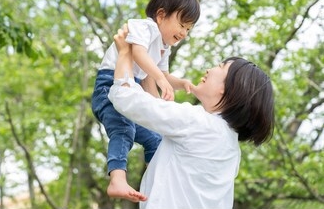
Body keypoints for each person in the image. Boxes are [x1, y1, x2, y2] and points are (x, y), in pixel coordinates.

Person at [107, 25, 275, 208]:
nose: (209, 70)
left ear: (228, 88)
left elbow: (126, 99)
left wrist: (124, 53)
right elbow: (158, 110)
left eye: (220, 66)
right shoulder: (231, 150)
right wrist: (150, 68)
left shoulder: (197, 123)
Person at [91, 0, 201, 202]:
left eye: (189, 29)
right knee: (124, 130)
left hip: (131, 87)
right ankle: (117, 179)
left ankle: (159, 179)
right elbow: (139, 54)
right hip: (109, 86)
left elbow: (163, 74)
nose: (184, 33)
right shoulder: (143, 27)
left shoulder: (163, 46)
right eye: (182, 24)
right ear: (161, 15)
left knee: (154, 139)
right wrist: (159, 79)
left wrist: (180, 83)